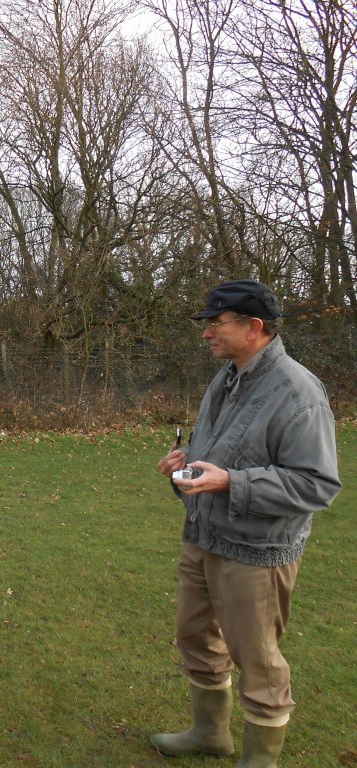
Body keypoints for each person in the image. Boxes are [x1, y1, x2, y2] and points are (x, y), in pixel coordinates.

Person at [152, 280, 341, 766]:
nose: (207, 333)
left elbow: (317, 484)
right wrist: (188, 464)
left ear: (254, 328)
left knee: (258, 661)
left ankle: (260, 760)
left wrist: (229, 482)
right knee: (196, 636)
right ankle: (210, 732)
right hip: (204, 537)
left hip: (256, 552)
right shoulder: (228, 377)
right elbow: (226, 452)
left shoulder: (299, 392)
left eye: (217, 323)